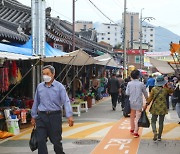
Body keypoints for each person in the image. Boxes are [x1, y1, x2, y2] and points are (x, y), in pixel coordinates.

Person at [31, 65, 74, 154]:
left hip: (55, 116)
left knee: (56, 141)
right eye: (43, 74)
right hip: (42, 116)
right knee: (41, 140)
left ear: (53, 74)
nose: (45, 76)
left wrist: (69, 116)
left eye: (47, 73)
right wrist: (33, 116)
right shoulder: (40, 87)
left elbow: (66, 101)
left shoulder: (59, 87)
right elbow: (36, 102)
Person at [146, 75, 173, 142]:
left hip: (155, 107)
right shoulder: (165, 89)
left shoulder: (153, 89)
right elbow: (172, 91)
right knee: (161, 122)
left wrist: (147, 104)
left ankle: (155, 132)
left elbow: (150, 98)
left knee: (153, 121)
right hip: (163, 107)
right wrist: (166, 85)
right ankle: (159, 137)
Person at [126, 70, 148, 138]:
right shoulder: (141, 84)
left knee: (132, 116)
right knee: (138, 117)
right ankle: (136, 132)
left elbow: (127, 93)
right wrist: (147, 100)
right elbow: (145, 93)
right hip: (139, 102)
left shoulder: (129, 83)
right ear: (138, 76)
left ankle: (132, 129)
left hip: (131, 101)